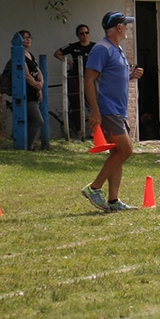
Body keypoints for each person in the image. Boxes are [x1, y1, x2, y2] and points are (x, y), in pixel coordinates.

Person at [80, 12, 145, 212]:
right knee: (126, 149)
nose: (127, 28)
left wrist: (131, 76)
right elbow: (89, 79)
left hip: (118, 110)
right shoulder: (102, 49)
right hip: (107, 110)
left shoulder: (117, 50)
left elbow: (113, 78)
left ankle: (113, 201)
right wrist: (95, 111)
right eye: (125, 25)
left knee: (117, 153)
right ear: (118, 27)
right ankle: (94, 188)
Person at [55, 23, 95, 137]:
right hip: (75, 77)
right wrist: (69, 62)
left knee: (93, 103)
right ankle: (79, 131)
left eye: (86, 33)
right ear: (78, 35)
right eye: (81, 33)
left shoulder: (95, 47)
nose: (84, 35)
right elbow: (57, 53)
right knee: (76, 104)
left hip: (90, 78)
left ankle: (94, 131)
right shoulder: (73, 46)